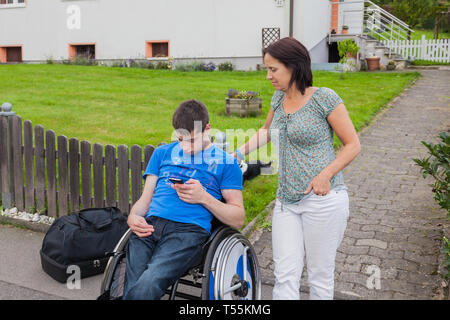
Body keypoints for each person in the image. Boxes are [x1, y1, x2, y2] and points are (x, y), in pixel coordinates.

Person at [233, 37, 361, 300]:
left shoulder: (324, 98)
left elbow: (353, 145)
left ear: (294, 66)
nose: (268, 75)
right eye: (267, 69)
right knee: (285, 275)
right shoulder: (278, 98)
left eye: (273, 69)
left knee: (320, 277)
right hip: (286, 202)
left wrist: (326, 174)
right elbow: (266, 132)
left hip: (323, 201)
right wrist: (235, 153)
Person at [123, 99, 245, 300]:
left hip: (187, 232)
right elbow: (145, 199)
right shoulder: (162, 153)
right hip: (149, 226)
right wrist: (133, 216)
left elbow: (238, 218)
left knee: (149, 282)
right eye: (180, 139)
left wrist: (204, 197)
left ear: (207, 129)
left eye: (192, 140)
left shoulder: (226, 163)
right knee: (134, 285)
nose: (186, 147)